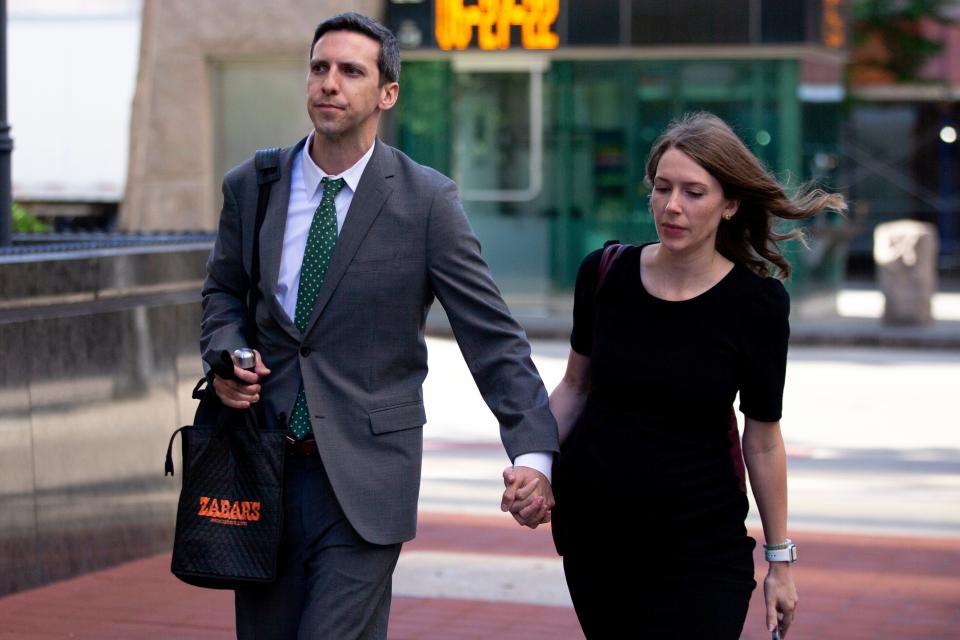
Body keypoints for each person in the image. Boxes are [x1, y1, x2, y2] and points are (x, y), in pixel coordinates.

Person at [200, 12, 557, 639]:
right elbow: (224, 294)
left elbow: (491, 335)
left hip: (367, 476)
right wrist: (226, 356)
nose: (329, 84)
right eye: (319, 68)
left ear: (386, 94)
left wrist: (533, 453)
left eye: (350, 71)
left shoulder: (426, 202)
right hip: (263, 466)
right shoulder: (253, 186)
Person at [548, 112, 846, 639]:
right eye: (662, 188)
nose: (672, 206)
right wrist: (534, 465)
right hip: (600, 538)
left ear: (730, 204)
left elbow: (762, 438)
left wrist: (780, 562)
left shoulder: (757, 303)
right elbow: (575, 387)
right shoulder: (604, 273)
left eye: (693, 192)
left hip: (703, 546)